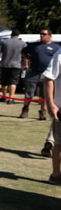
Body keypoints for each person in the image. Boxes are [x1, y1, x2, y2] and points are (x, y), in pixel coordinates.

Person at [20, 28, 59, 121]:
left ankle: (42, 112)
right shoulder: (34, 45)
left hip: (47, 74)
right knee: (29, 93)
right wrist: (28, 59)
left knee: (44, 95)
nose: (41, 36)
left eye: (44, 34)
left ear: (49, 36)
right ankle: (25, 110)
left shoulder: (56, 47)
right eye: (40, 34)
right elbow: (23, 52)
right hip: (33, 72)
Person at [41, 49, 61, 185]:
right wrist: (50, 104)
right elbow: (48, 78)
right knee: (59, 143)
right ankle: (56, 174)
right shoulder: (60, 54)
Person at [0, 30, 26, 103]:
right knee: (13, 82)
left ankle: (4, 96)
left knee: (4, 82)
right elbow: (25, 55)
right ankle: (11, 98)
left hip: (5, 64)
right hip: (16, 65)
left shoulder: (4, 42)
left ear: (11, 35)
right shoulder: (23, 44)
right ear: (18, 35)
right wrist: (26, 64)